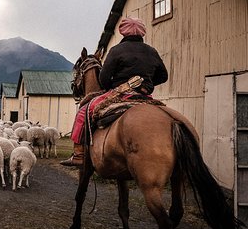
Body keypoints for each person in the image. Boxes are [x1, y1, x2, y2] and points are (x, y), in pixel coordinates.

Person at [60, 17, 169, 167]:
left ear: (123, 32)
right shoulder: (152, 51)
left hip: (120, 94)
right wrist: (147, 84)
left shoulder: (117, 50)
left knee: (83, 112)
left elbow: (103, 79)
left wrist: (114, 86)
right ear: (142, 33)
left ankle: (79, 155)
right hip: (144, 95)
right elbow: (163, 76)